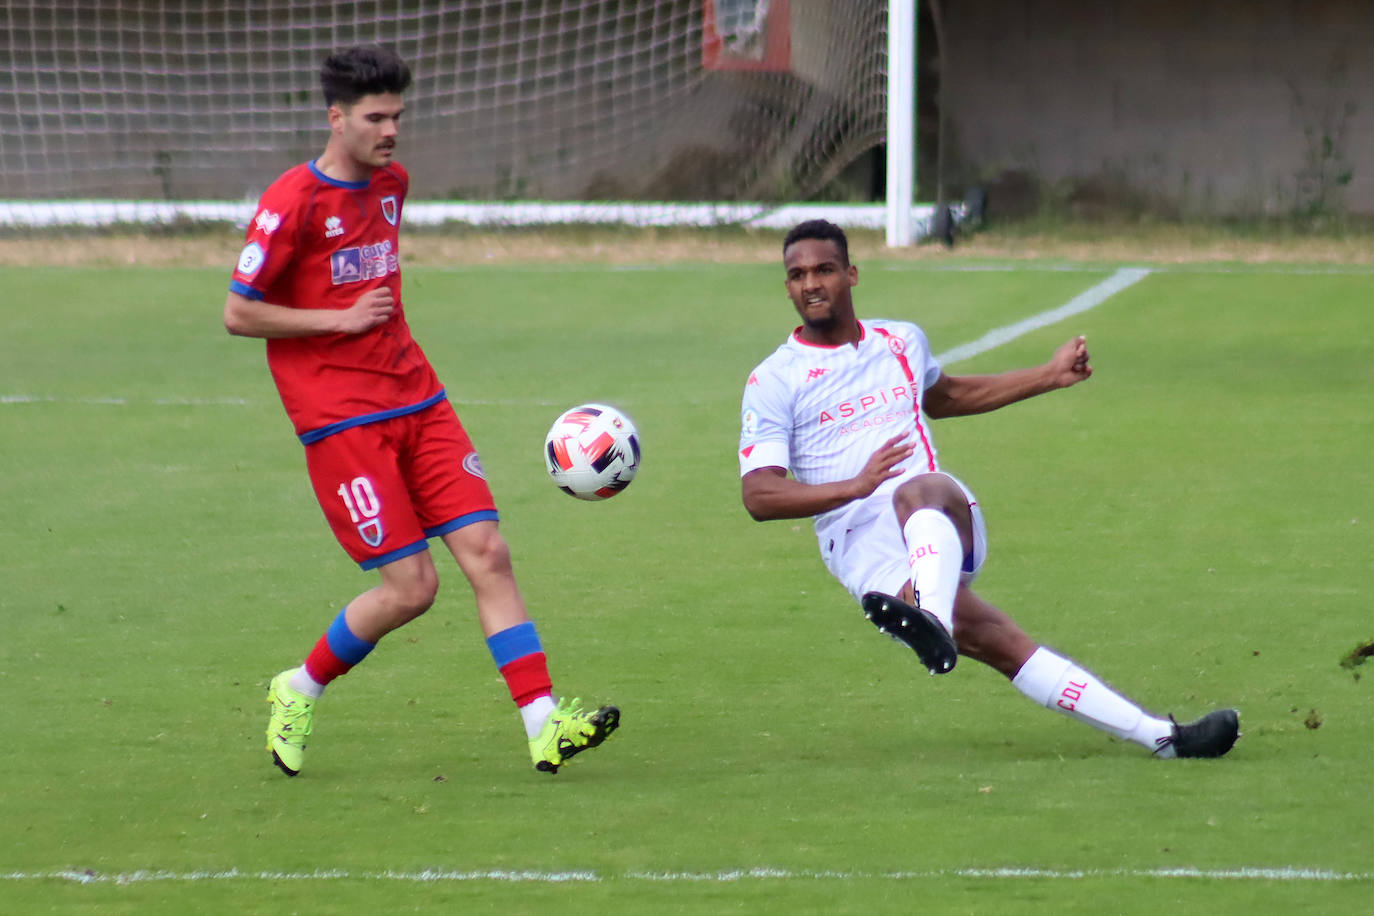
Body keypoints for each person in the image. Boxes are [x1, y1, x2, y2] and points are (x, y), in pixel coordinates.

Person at [224, 45, 619, 777]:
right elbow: (238, 314)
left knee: (489, 554)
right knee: (412, 589)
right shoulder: (290, 203)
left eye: (398, 116)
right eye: (376, 117)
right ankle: (298, 686)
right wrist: (335, 323)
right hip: (342, 425)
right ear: (336, 118)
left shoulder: (393, 184)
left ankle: (543, 724)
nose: (392, 131)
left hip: (419, 400)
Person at [737, 219, 1238, 759]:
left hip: (936, 511)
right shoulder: (773, 380)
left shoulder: (900, 341)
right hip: (863, 552)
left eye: (824, 269)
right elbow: (760, 496)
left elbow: (946, 397)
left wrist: (1049, 375)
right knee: (1006, 644)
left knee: (916, 489)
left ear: (852, 274)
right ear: (786, 286)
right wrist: (854, 486)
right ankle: (1162, 738)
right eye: (797, 275)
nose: (811, 283)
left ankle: (928, 615)